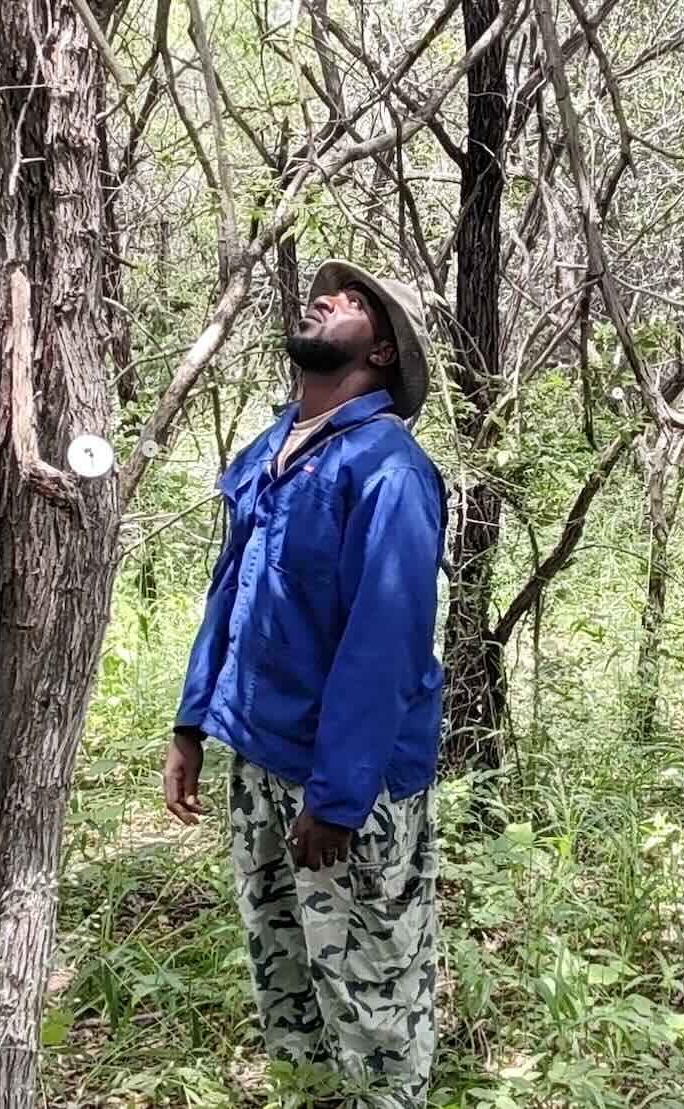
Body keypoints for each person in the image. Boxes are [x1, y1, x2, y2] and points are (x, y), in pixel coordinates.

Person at [163, 259, 449, 1106]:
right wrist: (192, 725)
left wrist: (337, 797)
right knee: (287, 980)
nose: (327, 300)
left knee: (372, 992)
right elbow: (231, 589)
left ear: (384, 354)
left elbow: (384, 643)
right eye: (326, 293)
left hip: (345, 787)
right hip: (258, 756)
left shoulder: (387, 467)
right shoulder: (271, 448)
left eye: (355, 301)